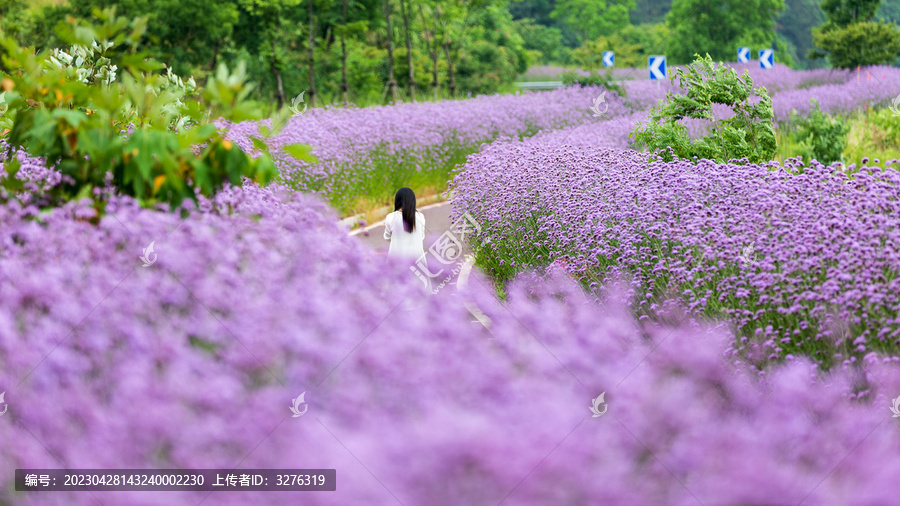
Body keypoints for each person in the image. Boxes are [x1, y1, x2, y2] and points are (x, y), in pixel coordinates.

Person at [384, 187, 430, 297]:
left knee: (396, 290)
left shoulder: (391, 218)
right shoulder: (420, 217)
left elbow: (387, 237)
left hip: (397, 259)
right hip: (417, 259)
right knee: (418, 291)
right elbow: (421, 237)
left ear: (397, 201)